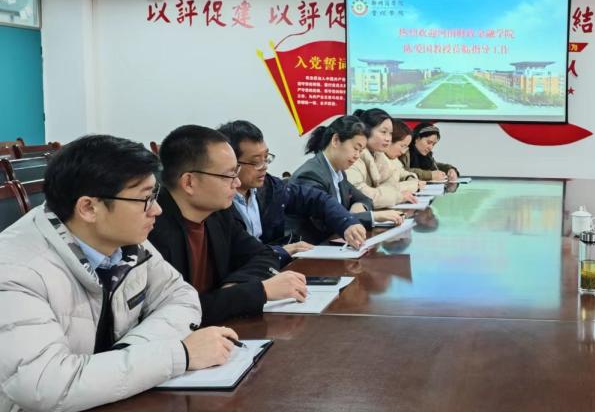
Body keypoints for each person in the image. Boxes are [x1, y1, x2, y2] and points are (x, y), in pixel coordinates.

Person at [0, 135, 238, 412]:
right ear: (89, 207)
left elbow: (180, 296)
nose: (157, 210)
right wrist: (177, 355)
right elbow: (47, 388)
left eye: (154, 195)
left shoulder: (125, 241)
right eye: (144, 199)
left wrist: (131, 353)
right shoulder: (14, 269)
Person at [148, 125, 307, 326]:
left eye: (236, 172)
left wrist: (235, 286)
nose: (237, 183)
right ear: (189, 182)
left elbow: (264, 255)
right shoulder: (152, 228)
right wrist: (253, 292)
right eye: (228, 175)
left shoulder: (217, 215)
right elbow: (176, 312)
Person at [216, 120, 366, 267]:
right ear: (232, 163)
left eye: (266, 158)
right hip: (248, 272)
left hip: (271, 266)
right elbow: (238, 253)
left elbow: (317, 199)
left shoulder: (269, 187)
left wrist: (346, 222)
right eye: (256, 162)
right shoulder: (218, 202)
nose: (264, 166)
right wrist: (280, 252)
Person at [290, 116, 404, 243]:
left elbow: (365, 199)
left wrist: (359, 205)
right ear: (336, 140)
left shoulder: (339, 173)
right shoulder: (311, 174)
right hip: (309, 248)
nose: (357, 156)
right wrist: (373, 216)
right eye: (355, 148)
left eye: (361, 151)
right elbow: (326, 222)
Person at [346, 108, 419, 209]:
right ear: (366, 131)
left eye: (390, 133)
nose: (388, 139)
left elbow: (391, 184)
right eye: (383, 132)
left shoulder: (378, 155)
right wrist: (398, 196)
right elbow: (362, 195)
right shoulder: (353, 157)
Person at [384, 119, 425, 188]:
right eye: (402, 146)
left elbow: (403, 173)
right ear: (389, 140)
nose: (403, 152)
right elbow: (387, 188)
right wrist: (413, 185)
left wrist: (411, 178)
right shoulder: (378, 160)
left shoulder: (394, 160)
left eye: (406, 147)